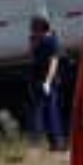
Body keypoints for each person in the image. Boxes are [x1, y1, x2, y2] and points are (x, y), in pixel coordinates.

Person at [28, 16, 66, 151]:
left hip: (49, 81)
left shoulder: (51, 41)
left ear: (41, 28)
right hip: (38, 80)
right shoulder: (36, 40)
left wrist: (48, 81)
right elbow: (32, 56)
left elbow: (54, 63)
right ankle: (49, 142)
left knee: (51, 111)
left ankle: (58, 142)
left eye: (34, 28)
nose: (31, 31)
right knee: (40, 111)